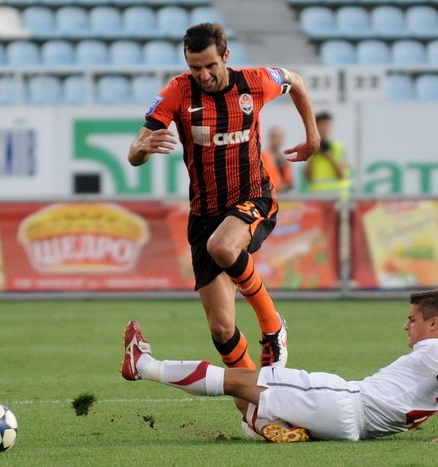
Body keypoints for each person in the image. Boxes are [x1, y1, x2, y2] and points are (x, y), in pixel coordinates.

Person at [127, 23, 320, 377]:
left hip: (253, 196)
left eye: (210, 65)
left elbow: (296, 81)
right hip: (204, 215)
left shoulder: (255, 82)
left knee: (223, 246)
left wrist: (313, 136)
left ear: (226, 56)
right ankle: (256, 396)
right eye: (194, 67)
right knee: (221, 328)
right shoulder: (178, 91)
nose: (203, 75)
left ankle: (273, 325)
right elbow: (135, 152)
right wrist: (142, 147)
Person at [121, 289, 438, 443]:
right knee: (248, 403)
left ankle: (144, 365)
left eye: (412, 319)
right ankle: (269, 424)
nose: (406, 325)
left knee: (235, 381)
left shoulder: (437, 350)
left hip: (344, 400)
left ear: (434, 324)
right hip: (352, 428)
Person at [304, 112, 349, 195]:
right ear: (315, 127)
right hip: (316, 195)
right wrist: (312, 156)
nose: (325, 128)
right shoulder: (311, 148)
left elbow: (342, 175)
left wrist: (330, 157)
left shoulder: (339, 147)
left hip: (336, 195)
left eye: (327, 125)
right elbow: (307, 177)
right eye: (321, 125)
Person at [260, 126, 293, 193]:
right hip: (266, 195)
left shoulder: (285, 160)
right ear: (269, 137)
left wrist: (283, 187)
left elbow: (289, 182)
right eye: (274, 136)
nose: (277, 139)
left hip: (282, 196)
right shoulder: (261, 157)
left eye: (279, 137)